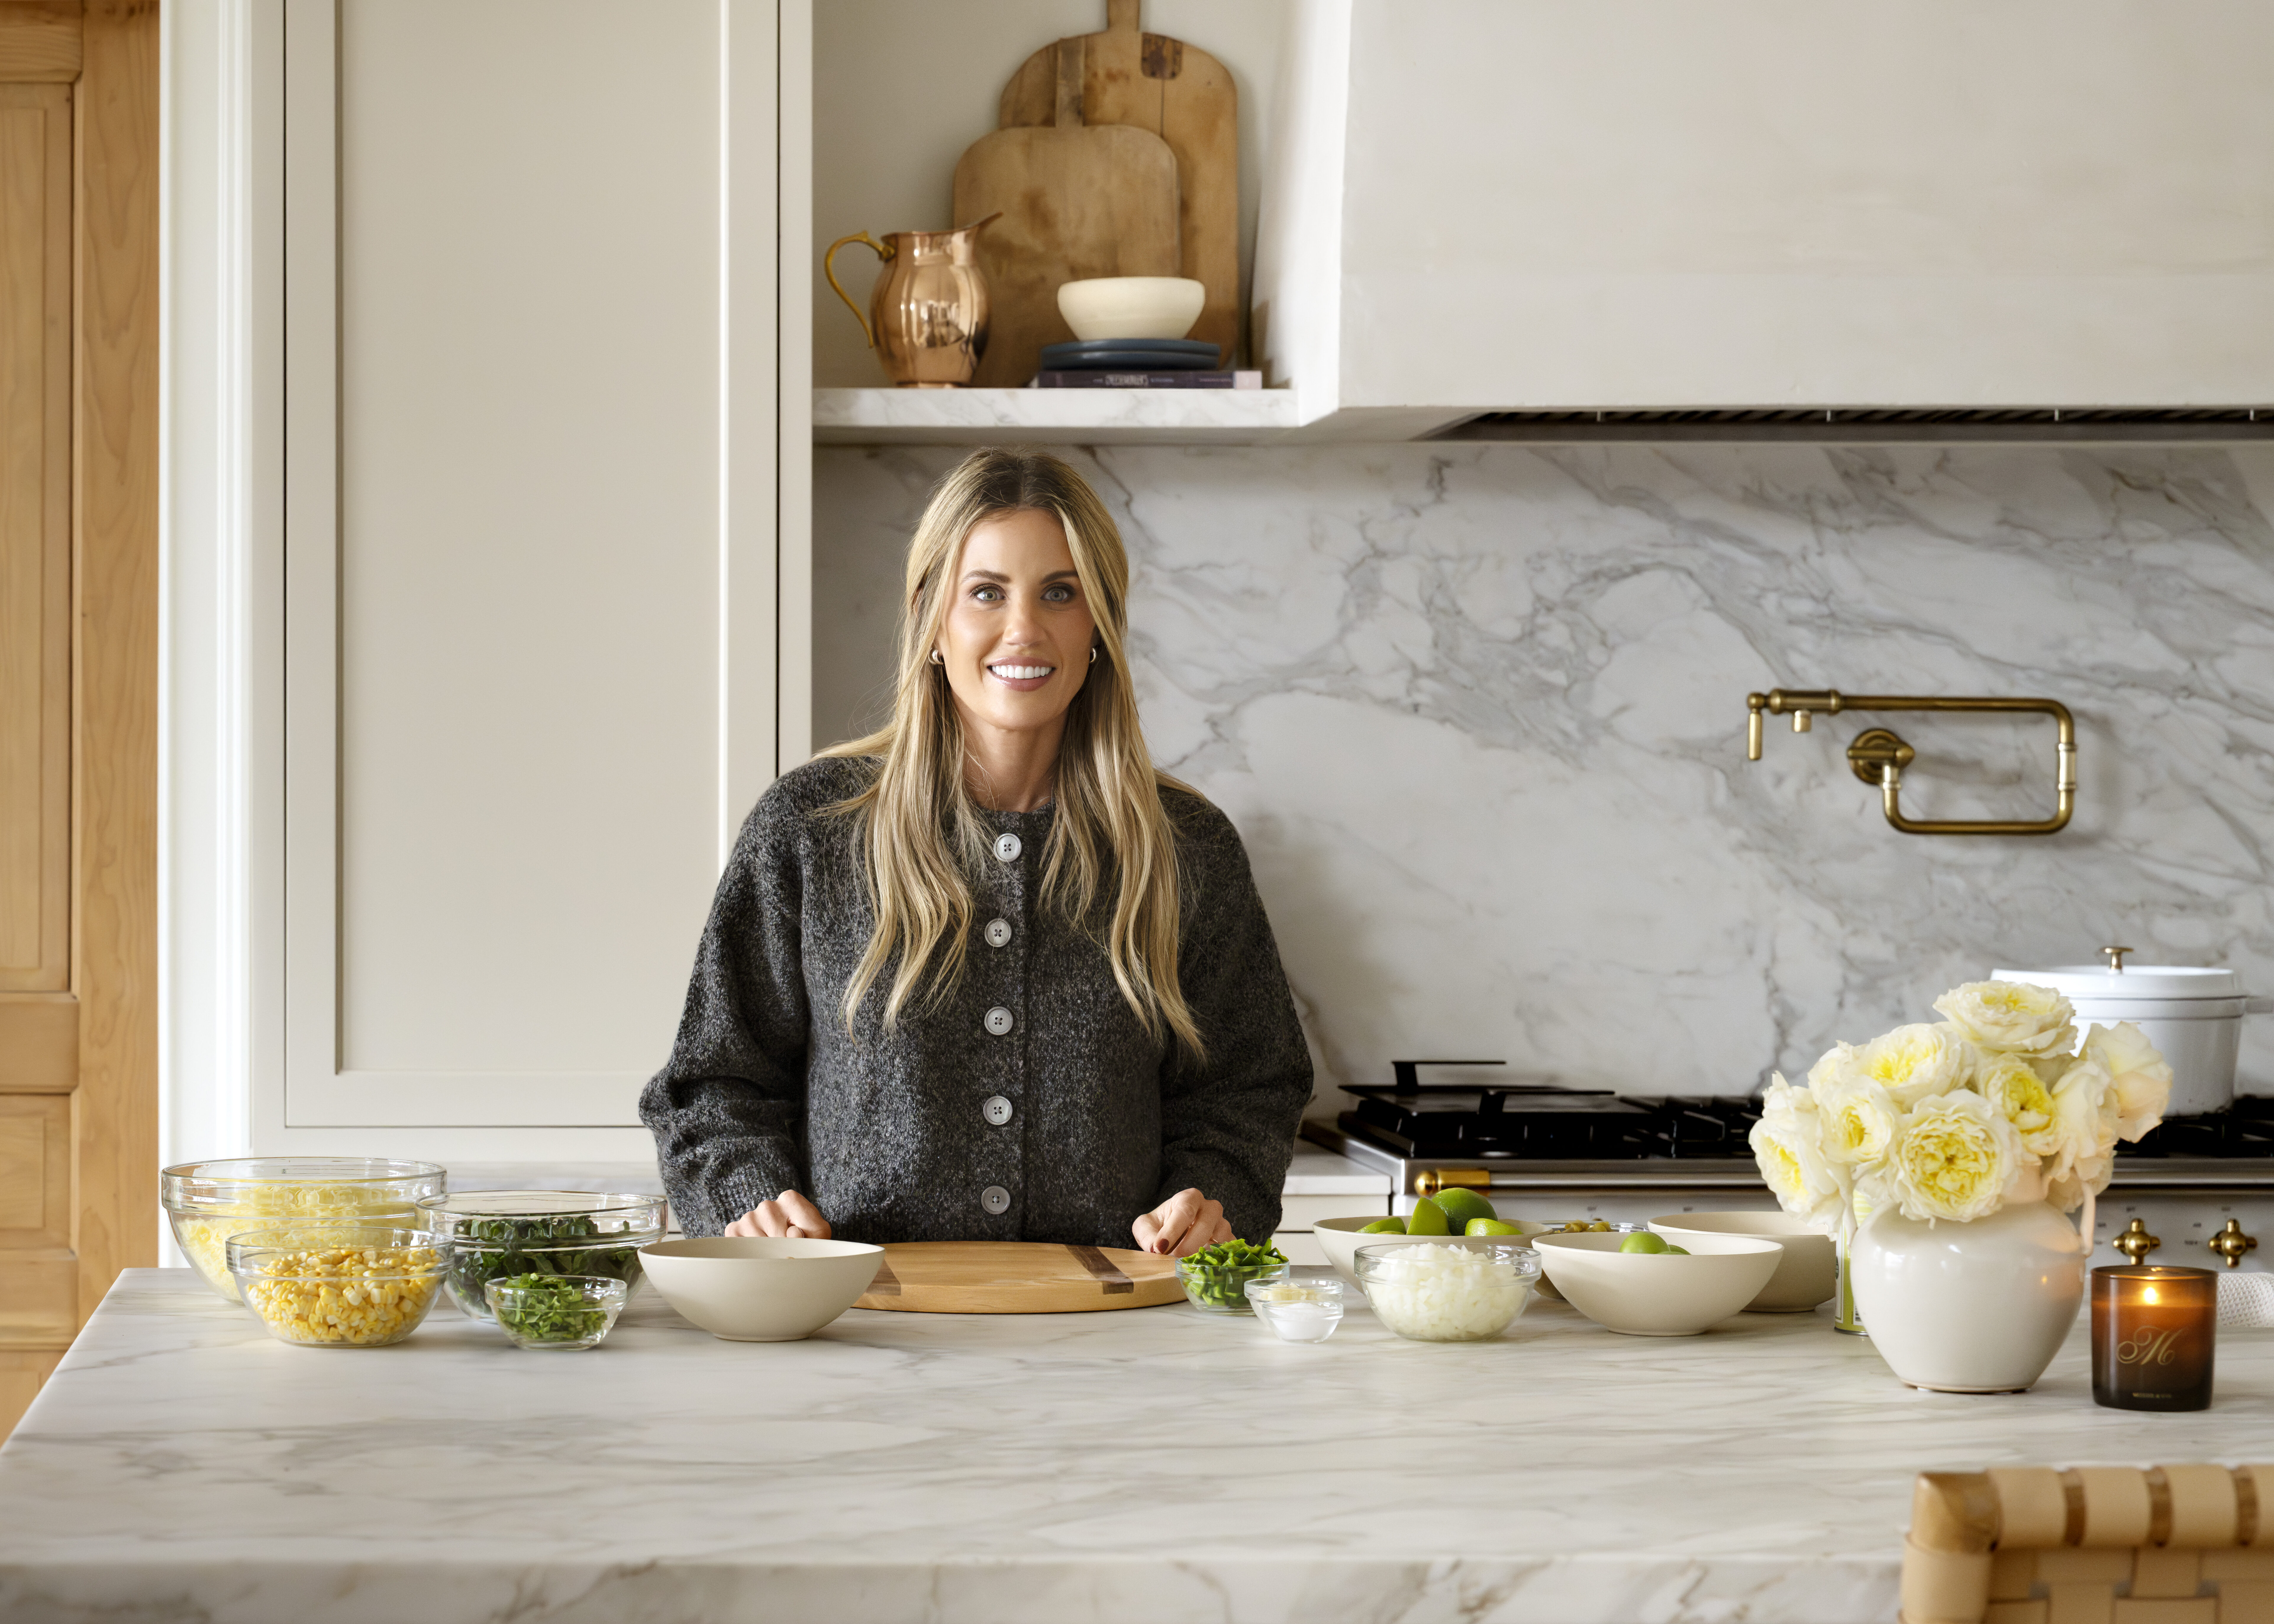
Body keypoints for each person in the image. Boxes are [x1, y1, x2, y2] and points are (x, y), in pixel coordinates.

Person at [640, 448, 1312, 1257]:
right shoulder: (809, 830)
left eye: (1059, 593)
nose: (1023, 628)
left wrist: (1214, 1197)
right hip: (856, 1332)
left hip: (1118, 1332)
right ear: (932, 618)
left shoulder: (1187, 849)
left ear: (1097, 622)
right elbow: (712, 1085)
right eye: (986, 592)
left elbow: (1250, 1089)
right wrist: (750, 1196)